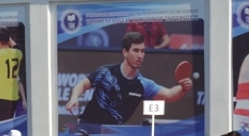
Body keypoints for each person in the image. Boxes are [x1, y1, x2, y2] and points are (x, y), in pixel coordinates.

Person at [65, 31, 193, 127]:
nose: (140, 56)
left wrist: (183, 88)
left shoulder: (143, 85)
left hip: (113, 132)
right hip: (87, 126)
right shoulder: (106, 72)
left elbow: (169, 95)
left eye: (142, 51)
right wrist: (74, 98)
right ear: (125, 52)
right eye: (136, 51)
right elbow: (83, 84)